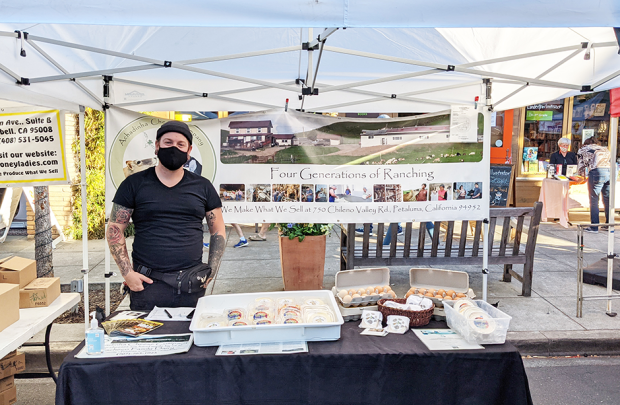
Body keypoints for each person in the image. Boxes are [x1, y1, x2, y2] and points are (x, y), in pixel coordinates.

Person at [107, 120, 226, 310]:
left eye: (180, 145)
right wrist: (127, 273)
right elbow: (115, 229)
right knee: (148, 338)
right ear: (157, 146)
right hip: (147, 283)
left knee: (192, 337)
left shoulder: (203, 187)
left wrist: (211, 270)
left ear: (189, 151)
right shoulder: (133, 184)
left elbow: (218, 230)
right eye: (168, 142)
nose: (174, 148)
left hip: (192, 282)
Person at [577, 137, 611, 233]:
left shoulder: (583, 149)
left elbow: (581, 166)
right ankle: (609, 224)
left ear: (586, 143)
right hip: (609, 172)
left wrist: (581, 177)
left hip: (596, 172)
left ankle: (594, 226)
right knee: (607, 199)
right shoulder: (605, 149)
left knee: (594, 199)